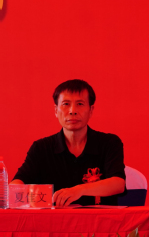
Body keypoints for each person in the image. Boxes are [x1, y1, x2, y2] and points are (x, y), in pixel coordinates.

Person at [11, 79, 126, 207]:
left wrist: (79, 190)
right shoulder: (41, 148)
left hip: (100, 218)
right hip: (54, 219)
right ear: (56, 110)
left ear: (91, 110)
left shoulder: (109, 143)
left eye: (80, 104)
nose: (72, 111)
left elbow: (118, 184)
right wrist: (16, 192)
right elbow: (17, 183)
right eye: (66, 104)